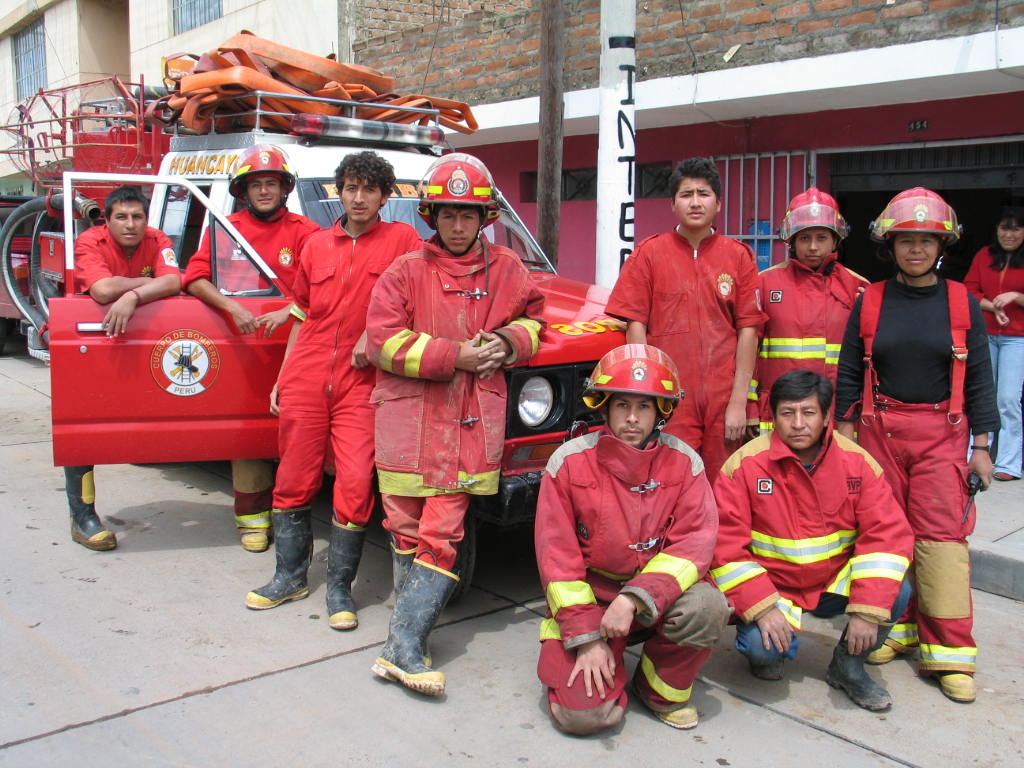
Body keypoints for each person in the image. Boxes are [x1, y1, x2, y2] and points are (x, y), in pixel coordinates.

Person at [365, 153, 545, 696]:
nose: (459, 224)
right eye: (448, 214)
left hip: (467, 428)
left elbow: (535, 320)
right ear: (432, 216)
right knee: (404, 529)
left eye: (469, 214)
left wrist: (508, 341)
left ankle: (403, 647)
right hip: (407, 425)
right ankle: (406, 636)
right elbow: (382, 342)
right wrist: (455, 357)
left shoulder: (510, 270)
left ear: (486, 217)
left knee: (442, 533)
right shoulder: (404, 272)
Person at [244, 151, 421, 632]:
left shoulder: (404, 241)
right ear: (338, 192)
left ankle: (340, 587)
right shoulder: (317, 246)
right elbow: (301, 315)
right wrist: (283, 376)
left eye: (369, 189)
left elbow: (416, 304)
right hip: (307, 370)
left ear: (385, 196)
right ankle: (289, 576)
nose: (358, 197)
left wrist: (377, 336)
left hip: (362, 380)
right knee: (293, 476)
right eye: (350, 187)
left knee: (356, 481)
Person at [835, 187, 999, 704]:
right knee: (887, 537)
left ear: (941, 246)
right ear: (891, 244)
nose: (916, 250)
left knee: (942, 543)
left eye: (926, 241)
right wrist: (842, 433)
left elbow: (979, 377)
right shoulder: (870, 300)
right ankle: (896, 632)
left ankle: (949, 654)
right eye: (907, 240)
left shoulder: (961, 302)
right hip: (878, 432)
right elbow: (845, 371)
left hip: (942, 436)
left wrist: (983, 445)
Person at [535, 344, 730, 735]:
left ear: (662, 412)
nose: (632, 418)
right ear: (603, 407)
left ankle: (658, 689)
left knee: (708, 605)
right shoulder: (568, 462)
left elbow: (693, 546)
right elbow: (557, 561)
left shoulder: (685, 463)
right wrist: (587, 639)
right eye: (622, 405)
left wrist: (634, 598)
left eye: (645, 406)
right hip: (591, 602)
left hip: (656, 600)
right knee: (585, 718)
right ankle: (603, 663)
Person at [712, 370, 914, 711]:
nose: (798, 423)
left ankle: (847, 667)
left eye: (808, 413)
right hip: (774, 589)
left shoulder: (857, 463)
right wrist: (762, 608)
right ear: (773, 417)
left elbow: (886, 538)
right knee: (764, 653)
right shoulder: (744, 466)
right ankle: (769, 649)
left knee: (896, 591)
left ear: (825, 418)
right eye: (787, 413)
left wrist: (867, 610)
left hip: (833, 583)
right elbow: (724, 546)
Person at [183, 144, 320, 552]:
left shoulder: (305, 232)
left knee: (296, 431)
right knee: (247, 430)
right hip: (242, 344)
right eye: (256, 184)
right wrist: (232, 307)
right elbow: (195, 278)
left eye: (271, 184)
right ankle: (252, 519)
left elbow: (318, 290)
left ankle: (291, 515)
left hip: (296, 345)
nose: (264, 191)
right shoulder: (224, 227)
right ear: (244, 189)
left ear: (284, 189)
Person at [606, 157, 764, 483]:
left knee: (726, 486)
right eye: (686, 194)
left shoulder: (738, 256)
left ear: (718, 203)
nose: (695, 202)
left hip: (724, 398)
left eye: (703, 194)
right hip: (670, 398)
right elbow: (635, 325)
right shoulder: (649, 254)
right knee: (671, 483)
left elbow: (749, 331)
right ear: (673, 204)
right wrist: (648, 396)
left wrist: (738, 403)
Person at [66, 185, 182, 549]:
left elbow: (176, 280)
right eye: (121, 217)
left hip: (145, 340)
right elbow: (101, 291)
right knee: (81, 429)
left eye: (137, 217)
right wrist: (151, 284)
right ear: (107, 219)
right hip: (93, 343)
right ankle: (82, 517)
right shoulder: (90, 241)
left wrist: (130, 295)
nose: (130, 224)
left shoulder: (157, 238)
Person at [751, 188, 866, 433]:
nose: (813, 247)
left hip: (836, 415)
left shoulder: (859, 288)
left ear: (836, 239)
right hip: (778, 412)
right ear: (791, 240)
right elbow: (750, 352)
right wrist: (750, 407)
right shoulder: (764, 284)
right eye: (804, 238)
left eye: (821, 237)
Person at [964, 205, 1024, 482]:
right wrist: (991, 306)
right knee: (981, 396)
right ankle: (974, 455)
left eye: (1016, 228)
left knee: (1008, 399)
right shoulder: (984, 255)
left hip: (1017, 339)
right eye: (1004, 227)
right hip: (986, 335)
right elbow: (969, 290)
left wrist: (1014, 296)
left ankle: (1009, 464)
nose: (1009, 234)